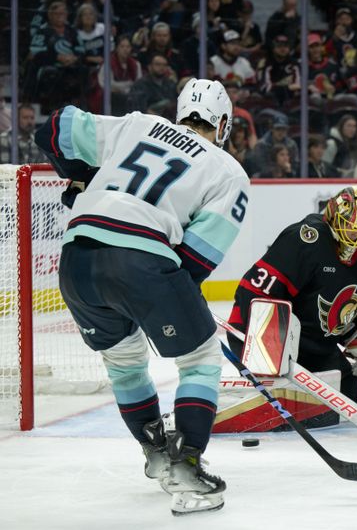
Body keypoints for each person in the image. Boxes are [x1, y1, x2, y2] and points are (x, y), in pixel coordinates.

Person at [34, 78, 250, 514]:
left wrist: (83, 177)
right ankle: (187, 465)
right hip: (142, 261)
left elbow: (51, 129)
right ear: (222, 123)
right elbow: (195, 261)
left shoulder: (137, 125)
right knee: (201, 357)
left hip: (76, 261)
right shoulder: (228, 171)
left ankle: (156, 453)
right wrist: (163, 307)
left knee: (124, 361)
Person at [227, 186, 357, 402]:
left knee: (352, 395)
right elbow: (254, 292)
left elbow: (327, 311)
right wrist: (261, 348)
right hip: (258, 332)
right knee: (286, 399)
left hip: (310, 344)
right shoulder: (306, 239)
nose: (355, 235)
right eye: (349, 226)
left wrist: (354, 332)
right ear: (333, 216)